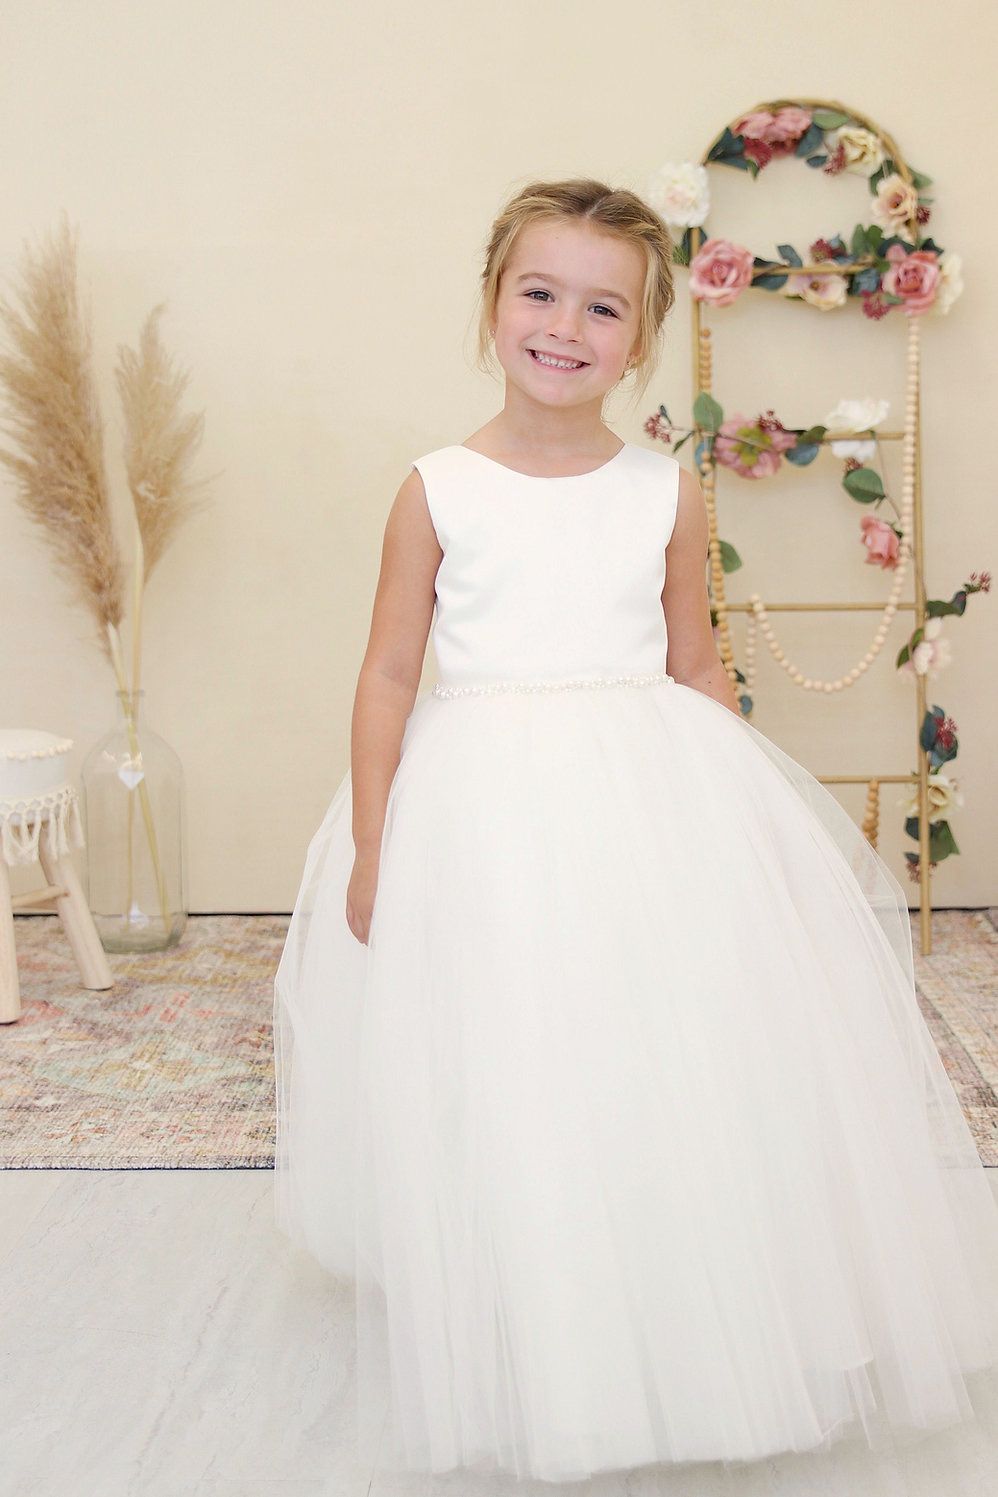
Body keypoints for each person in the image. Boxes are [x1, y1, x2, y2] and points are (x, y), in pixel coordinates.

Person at [273, 177, 998, 1485]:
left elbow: (696, 663)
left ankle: (668, 1278)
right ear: (492, 303)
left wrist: (740, 825)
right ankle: (529, 1295)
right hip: (479, 798)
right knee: (507, 1043)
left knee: (650, 1037)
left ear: (642, 334)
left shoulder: (663, 489)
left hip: (642, 787)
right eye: (537, 293)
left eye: (601, 306)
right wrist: (378, 842)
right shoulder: (436, 488)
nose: (564, 326)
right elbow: (387, 672)